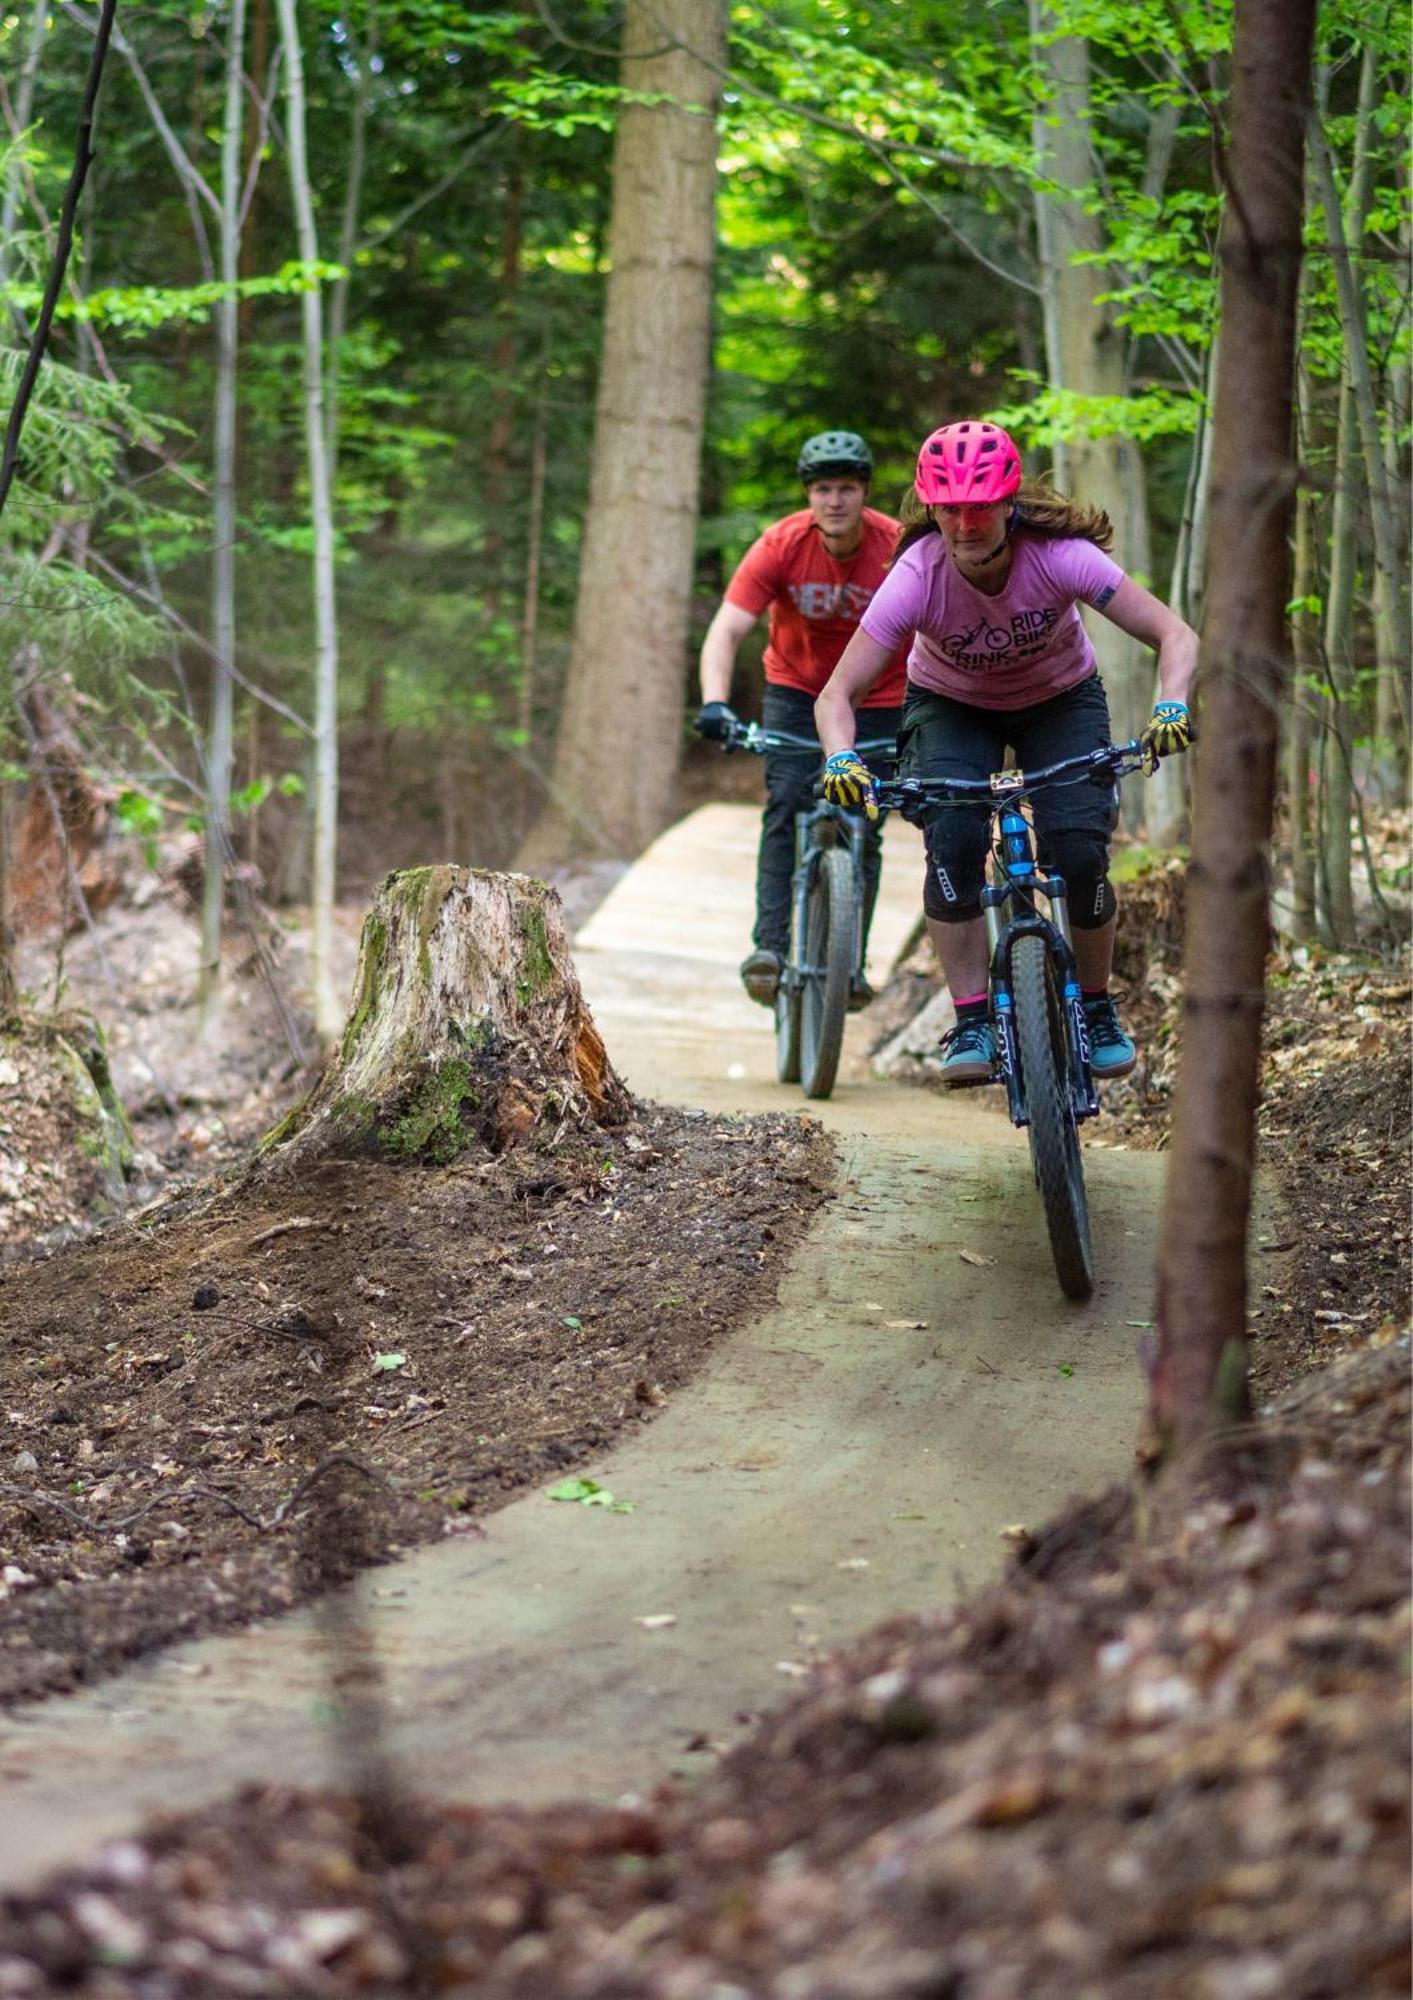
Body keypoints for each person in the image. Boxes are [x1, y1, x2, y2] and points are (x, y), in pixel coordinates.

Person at [814, 418, 1196, 1084]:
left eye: (982, 507)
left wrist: (1172, 703)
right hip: (951, 708)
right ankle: (971, 1018)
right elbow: (834, 696)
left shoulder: (1061, 556)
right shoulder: (915, 577)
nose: (966, 524)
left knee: (1079, 852)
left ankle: (1098, 1008)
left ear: (1008, 501)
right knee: (954, 844)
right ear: (930, 508)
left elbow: (1173, 634)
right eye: (951, 509)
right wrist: (839, 758)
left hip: (1059, 700)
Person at [695, 430, 910, 1008]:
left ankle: (851, 964)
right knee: (787, 802)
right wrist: (716, 702)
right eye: (822, 489)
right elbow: (728, 627)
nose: (834, 500)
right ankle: (768, 948)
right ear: (809, 496)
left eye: (846, 488)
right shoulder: (782, 544)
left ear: (864, 492)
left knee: (864, 819)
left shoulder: (896, 546)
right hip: (795, 689)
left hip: (878, 696)